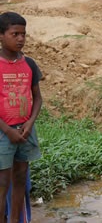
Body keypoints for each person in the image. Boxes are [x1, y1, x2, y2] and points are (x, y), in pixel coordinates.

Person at [0, 12, 42, 223]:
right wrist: (7, 130)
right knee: (3, 181)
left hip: (25, 131)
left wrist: (29, 123)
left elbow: (38, 98)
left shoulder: (29, 64)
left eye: (23, 34)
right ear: (1, 35)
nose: (20, 39)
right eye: (14, 34)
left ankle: (16, 220)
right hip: (3, 132)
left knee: (20, 178)